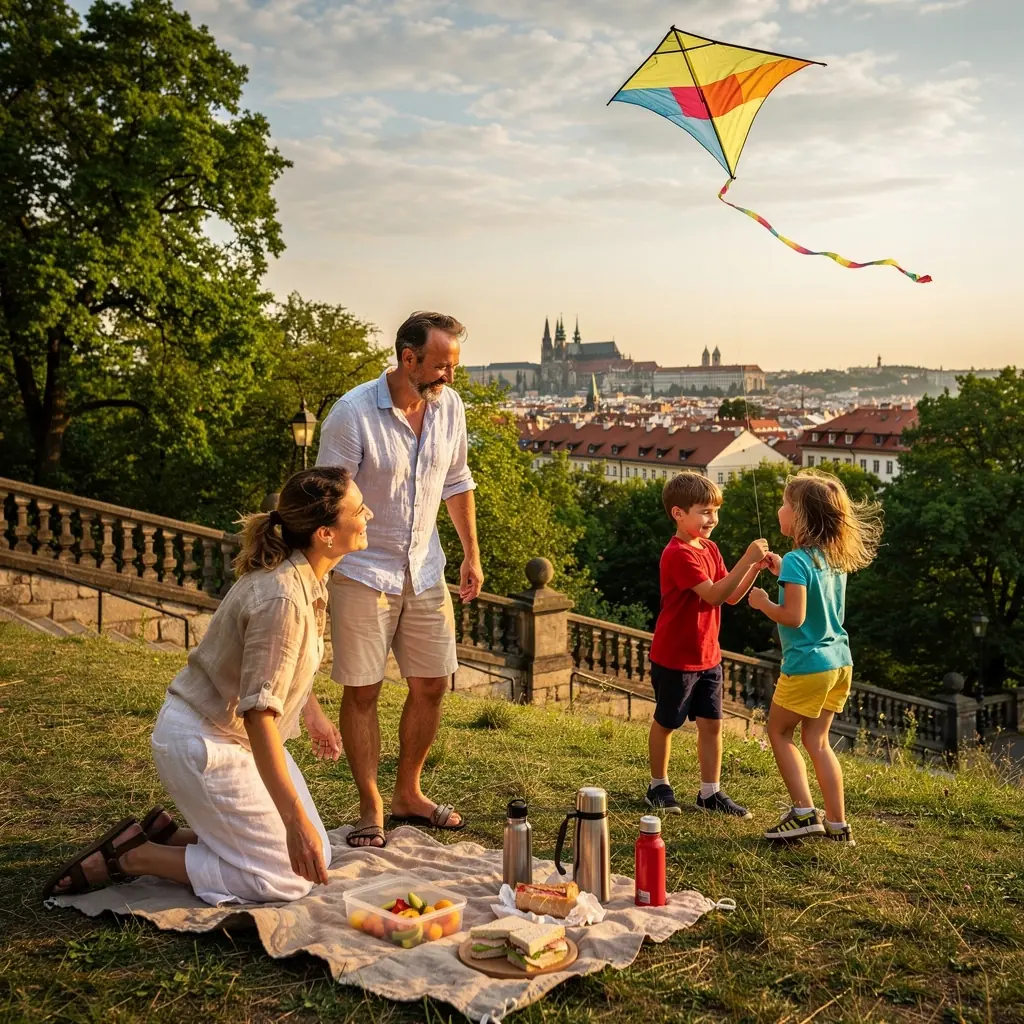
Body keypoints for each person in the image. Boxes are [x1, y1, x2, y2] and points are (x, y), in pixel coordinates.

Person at [42, 467, 373, 904]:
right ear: (326, 534)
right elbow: (258, 716)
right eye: (359, 508)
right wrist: (293, 821)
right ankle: (135, 855)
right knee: (289, 878)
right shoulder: (283, 597)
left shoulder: (305, 578)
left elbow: (271, 664)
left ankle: (172, 836)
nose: (367, 514)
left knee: (319, 854)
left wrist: (312, 715)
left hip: (230, 739)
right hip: (204, 744)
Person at [315, 310, 483, 849]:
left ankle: (408, 793)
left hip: (425, 565)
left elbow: (457, 481)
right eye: (439, 366)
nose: (449, 378)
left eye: (453, 366)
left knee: (432, 684)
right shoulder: (352, 414)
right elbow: (329, 501)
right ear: (407, 359)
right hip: (363, 571)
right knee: (362, 691)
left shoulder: (448, 406)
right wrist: (318, 577)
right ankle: (370, 807)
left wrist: (470, 554)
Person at [748, 470, 882, 846]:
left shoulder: (796, 559)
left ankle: (804, 812)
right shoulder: (831, 558)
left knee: (778, 732)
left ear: (801, 516)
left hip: (808, 665)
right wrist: (781, 571)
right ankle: (838, 825)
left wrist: (763, 603)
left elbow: (793, 617)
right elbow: (815, 598)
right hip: (839, 662)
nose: (780, 510)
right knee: (818, 742)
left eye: (785, 504)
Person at [645, 472, 769, 818]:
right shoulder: (677, 554)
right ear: (678, 514)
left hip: (708, 655)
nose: (712, 518)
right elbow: (714, 594)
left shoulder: (710, 548)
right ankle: (658, 785)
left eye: (715, 511)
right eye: (704, 511)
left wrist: (754, 569)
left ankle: (709, 792)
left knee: (713, 724)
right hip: (675, 656)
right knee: (666, 722)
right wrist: (746, 558)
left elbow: (729, 597)